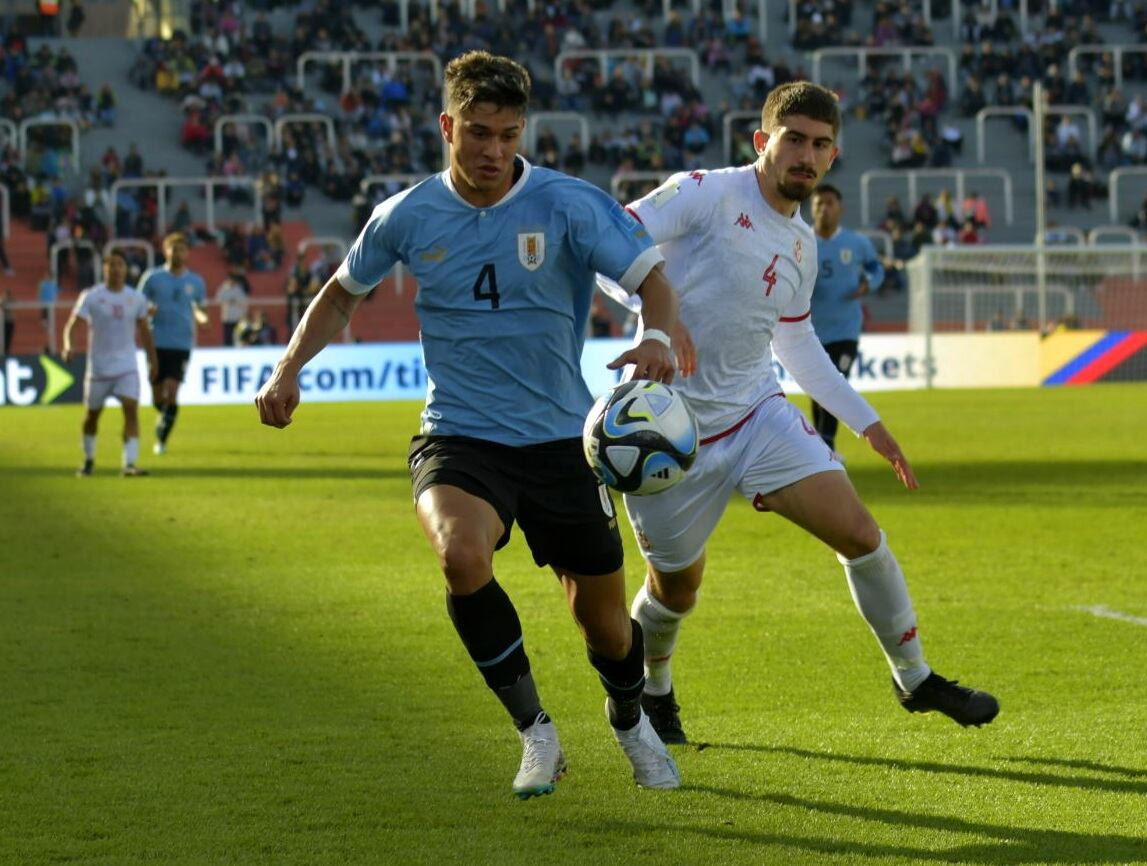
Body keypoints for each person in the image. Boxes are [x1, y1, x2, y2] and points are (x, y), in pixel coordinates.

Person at [254, 51, 696, 799]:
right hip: (458, 435)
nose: (494, 150)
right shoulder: (406, 214)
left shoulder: (568, 204)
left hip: (563, 441)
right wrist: (288, 367)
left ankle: (629, 722)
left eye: (509, 134)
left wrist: (656, 336)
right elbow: (338, 294)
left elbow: (652, 280)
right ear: (446, 125)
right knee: (461, 557)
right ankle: (536, 733)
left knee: (607, 630)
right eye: (480, 133)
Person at [610, 82, 999, 746]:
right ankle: (655, 689)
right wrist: (654, 324)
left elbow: (794, 341)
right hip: (668, 433)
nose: (806, 155)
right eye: (793, 139)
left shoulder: (801, 244)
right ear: (763, 141)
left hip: (758, 413)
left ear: (832, 155)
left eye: (820, 145)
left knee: (861, 534)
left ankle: (914, 677)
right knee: (675, 592)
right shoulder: (706, 192)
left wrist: (864, 421)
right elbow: (608, 238)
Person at [61, 251, 158, 477]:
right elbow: (72, 324)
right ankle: (88, 460)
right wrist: (68, 345)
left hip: (127, 367)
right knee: (92, 417)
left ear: (125, 269)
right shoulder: (92, 296)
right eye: (111, 265)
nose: (116, 269)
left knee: (131, 412)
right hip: (98, 369)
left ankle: (129, 464)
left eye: (120, 265)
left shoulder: (136, 298)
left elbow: (145, 332)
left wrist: (153, 361)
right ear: (104, 269)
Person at [808, 184, 884, 452]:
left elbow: (876, 269)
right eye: (818, 204)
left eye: (829, 203)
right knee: (819, 388)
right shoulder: (802, 241)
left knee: (836, 382)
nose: (824, 208)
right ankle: (822, 442)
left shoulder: (856, 243)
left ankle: (826, 444)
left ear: (840, 208)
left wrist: (869, 284)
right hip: (812, 331)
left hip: (846, 329)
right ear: (811, 209)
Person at [139, 232, 207, 455]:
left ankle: (161, 440)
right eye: (173, 249)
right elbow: (138, 303)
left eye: (181, 249)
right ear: (165, 251)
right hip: (156, 342)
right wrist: (147, 309)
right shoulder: (152, 278)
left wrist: (202, 317)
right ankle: (162, 415)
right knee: (158, 396)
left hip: (182, 343)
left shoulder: (196, 281)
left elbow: (200, 307)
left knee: (173, 390)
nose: (177, 253)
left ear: (187, 253)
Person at [216, 270, 249, 346]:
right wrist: (228, 300)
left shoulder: (239, 290)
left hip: (237, 317)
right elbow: (218, 299)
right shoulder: (223, 289)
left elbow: (243, 302)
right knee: (227, 337)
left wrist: (235, 302)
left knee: (237, 337)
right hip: (227, 317)